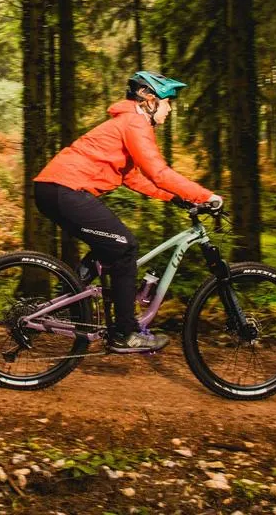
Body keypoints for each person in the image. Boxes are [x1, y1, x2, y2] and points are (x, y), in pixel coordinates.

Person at [33, 71, 222, 353]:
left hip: (57, 189)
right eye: (167, 101)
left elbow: (132, 177)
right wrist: (206, 196)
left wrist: (175, 198)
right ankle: (127, 332)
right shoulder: (134, 123)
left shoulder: (128, 122)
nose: (170, 108)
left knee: (111, 246)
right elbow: (157, 172)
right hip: (64, 189)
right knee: (125, 247)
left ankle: (62, 303)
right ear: (148, 98)